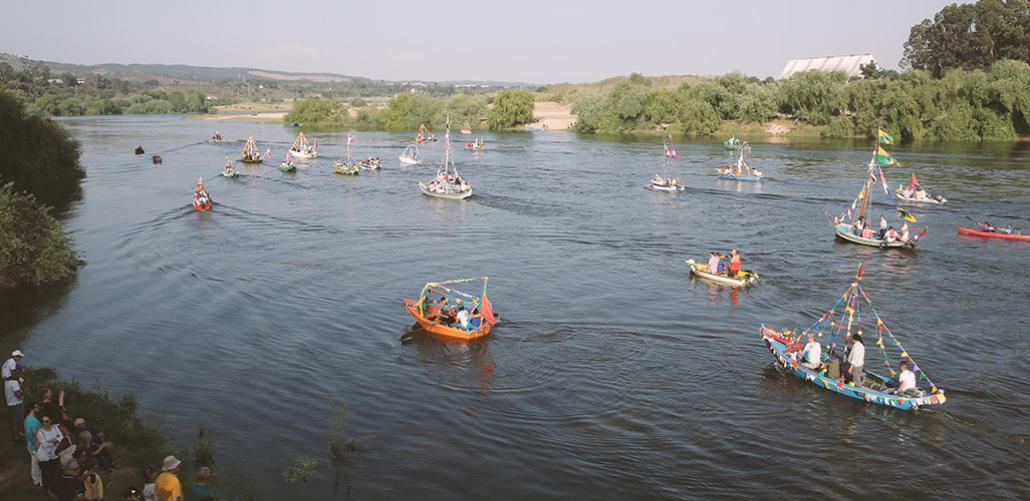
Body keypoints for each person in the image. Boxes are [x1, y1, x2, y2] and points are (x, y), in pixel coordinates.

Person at [37, 413, 65, 494]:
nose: (44, 423)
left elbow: (61, 438)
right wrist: (56, 441)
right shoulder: (40, 432)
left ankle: (54, 488)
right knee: (46, 474)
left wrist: (54, 441)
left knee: (54, 472)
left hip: (54, 455)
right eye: (43, 421)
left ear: (50, 421)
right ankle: (47, 490)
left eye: (46, 421)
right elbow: (45, 445)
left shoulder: (55, 428)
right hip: (44, 457)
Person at [25, 402, 43, 486]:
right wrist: (39, 446)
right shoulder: (34, 421)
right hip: (36, 446)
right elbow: (37, 434)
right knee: (40, 464)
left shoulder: (27, 419)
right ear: (32, 409)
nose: (38, 408)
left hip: (30, 445)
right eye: (36, 407)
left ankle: (36, 480)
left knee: (34, 464)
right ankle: (41, 481)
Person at [6, 363, 24, 441]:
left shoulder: (7, 380)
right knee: (17, 421)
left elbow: (22, 380)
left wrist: (21, 380)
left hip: (11, 403)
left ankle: (15, 436)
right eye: (20, 370)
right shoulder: (14, 382)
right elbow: (18, 395)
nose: (21, 372)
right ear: (15, 371)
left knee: (13, 421)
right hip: (16, 404)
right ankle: (17, 438)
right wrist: (24, 391)